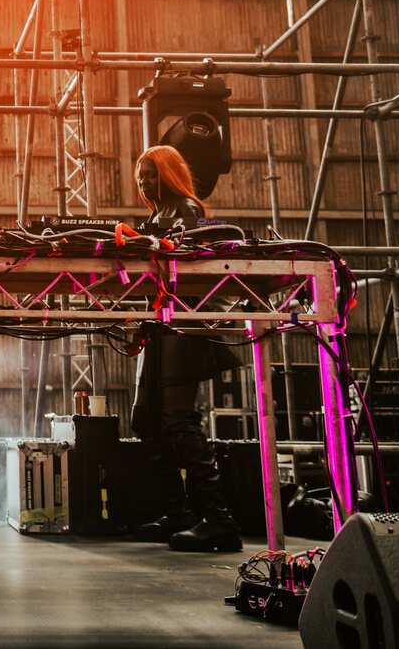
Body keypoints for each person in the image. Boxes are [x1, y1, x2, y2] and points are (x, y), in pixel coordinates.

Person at [129, 145, 243, 553]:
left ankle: (219, 522)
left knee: (178, 421)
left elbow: (188, 260)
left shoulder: (187, 210)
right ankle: (179, 515)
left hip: (185, 324)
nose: (143, 181)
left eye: (151, 173)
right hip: (161, 327)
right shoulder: (155, 217)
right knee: (147, 420)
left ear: (169, 174)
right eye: (140, 174)